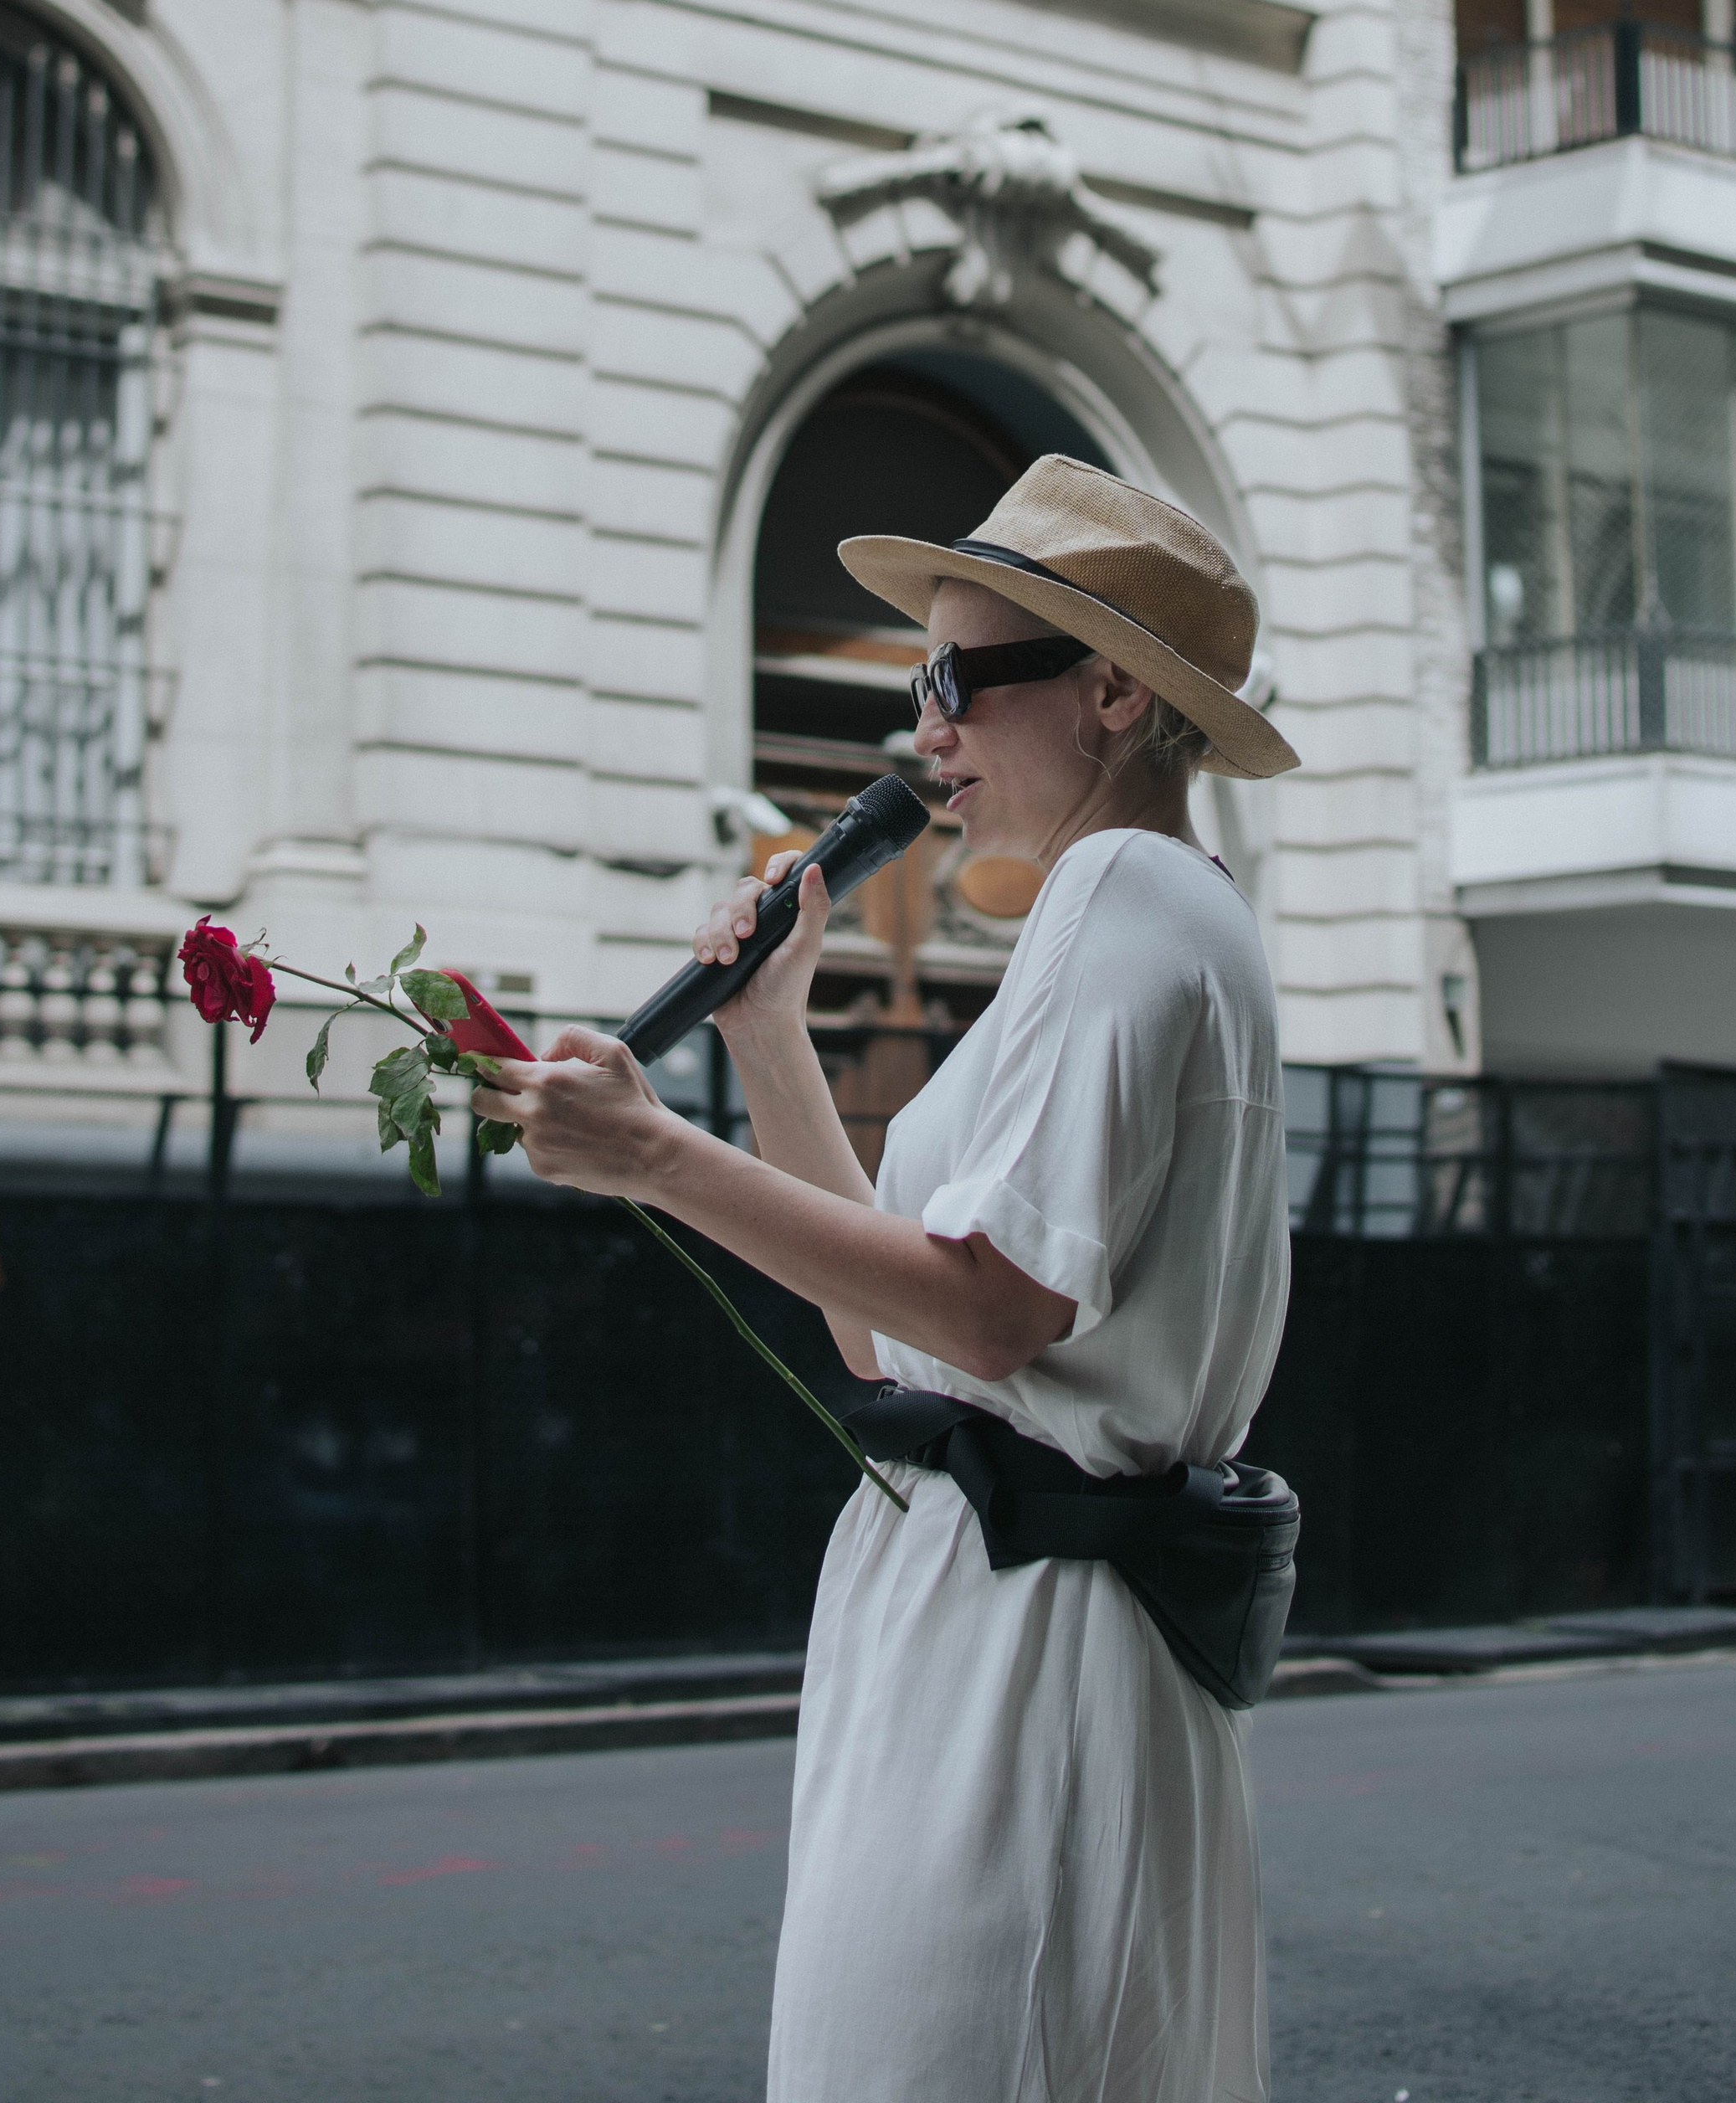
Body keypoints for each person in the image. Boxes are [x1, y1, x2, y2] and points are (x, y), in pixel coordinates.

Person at [476, 454, 1299, 2102]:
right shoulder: (1140, 916)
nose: (925, 737)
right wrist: (767, 1034)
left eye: (955, 683)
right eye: (920, 689)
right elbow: (891, 1338)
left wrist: (653, 1157)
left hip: (1026, 1647)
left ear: (1115, 694)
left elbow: (988, 1309)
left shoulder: (1124, 890)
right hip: (1001, 1623)